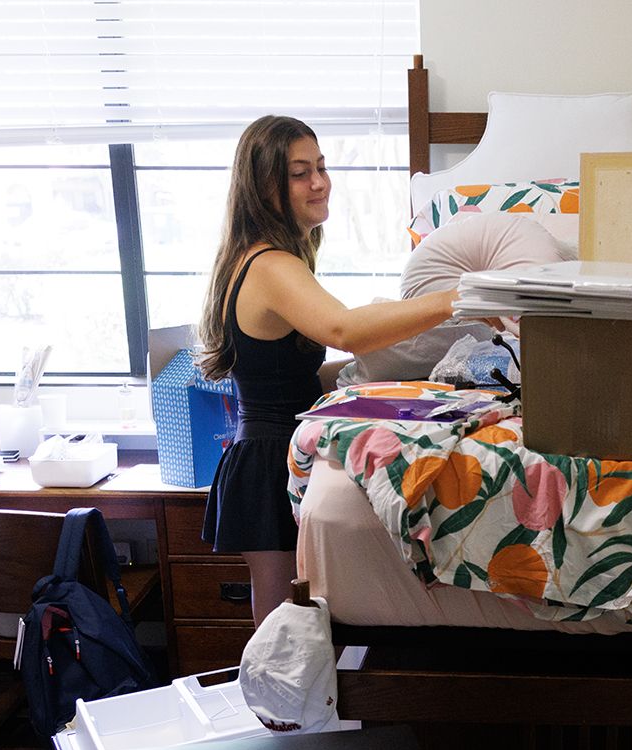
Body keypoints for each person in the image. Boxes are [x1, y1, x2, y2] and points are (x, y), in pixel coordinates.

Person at [198, 116, 461, 623]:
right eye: (300, 173)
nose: (319, 182)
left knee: (295, 635)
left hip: (270, 448)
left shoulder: (263, 259)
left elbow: (287, 373)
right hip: (271, 458)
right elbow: (343, 329)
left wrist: (388, 374)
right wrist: (454, 300)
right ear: (263, 186)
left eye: (321, 166)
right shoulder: (271, 265)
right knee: (284, 640)